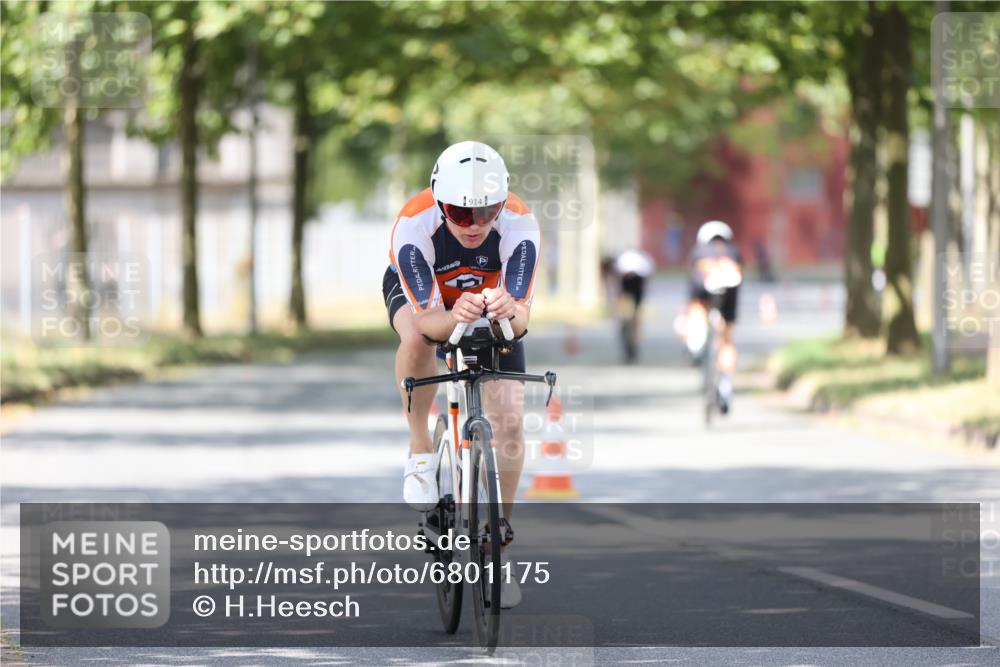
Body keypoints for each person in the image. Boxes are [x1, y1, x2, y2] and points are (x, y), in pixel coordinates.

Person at [382, 140, 540, 607]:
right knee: (414, 338)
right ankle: (419, 449)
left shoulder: (520, 223)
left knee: (509, 417)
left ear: (502, 203)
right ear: (437, 199)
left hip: (492, 302)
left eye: (486, 212)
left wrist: (507, 310)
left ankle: (497, 548)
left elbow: (522, 321)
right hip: (431, 300)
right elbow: (430, 321)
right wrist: (454, 316)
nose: (474, 226)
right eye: (459, 212)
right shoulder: (413, 225)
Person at [684, 221, 743, 412]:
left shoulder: (698, 252)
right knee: (726, 339)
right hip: (729, 290)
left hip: (704, 289)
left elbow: (692, 287)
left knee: (697, 309)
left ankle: (697, 345)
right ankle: (725, 385)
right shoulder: (734, 252)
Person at [613, 248, 655, 363]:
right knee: (631, 320)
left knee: (630, 320)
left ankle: (632, 342)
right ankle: (632, 342)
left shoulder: (626, 259)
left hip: (632, 290)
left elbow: (617, 279)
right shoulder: (643, 260)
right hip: (632, 289)